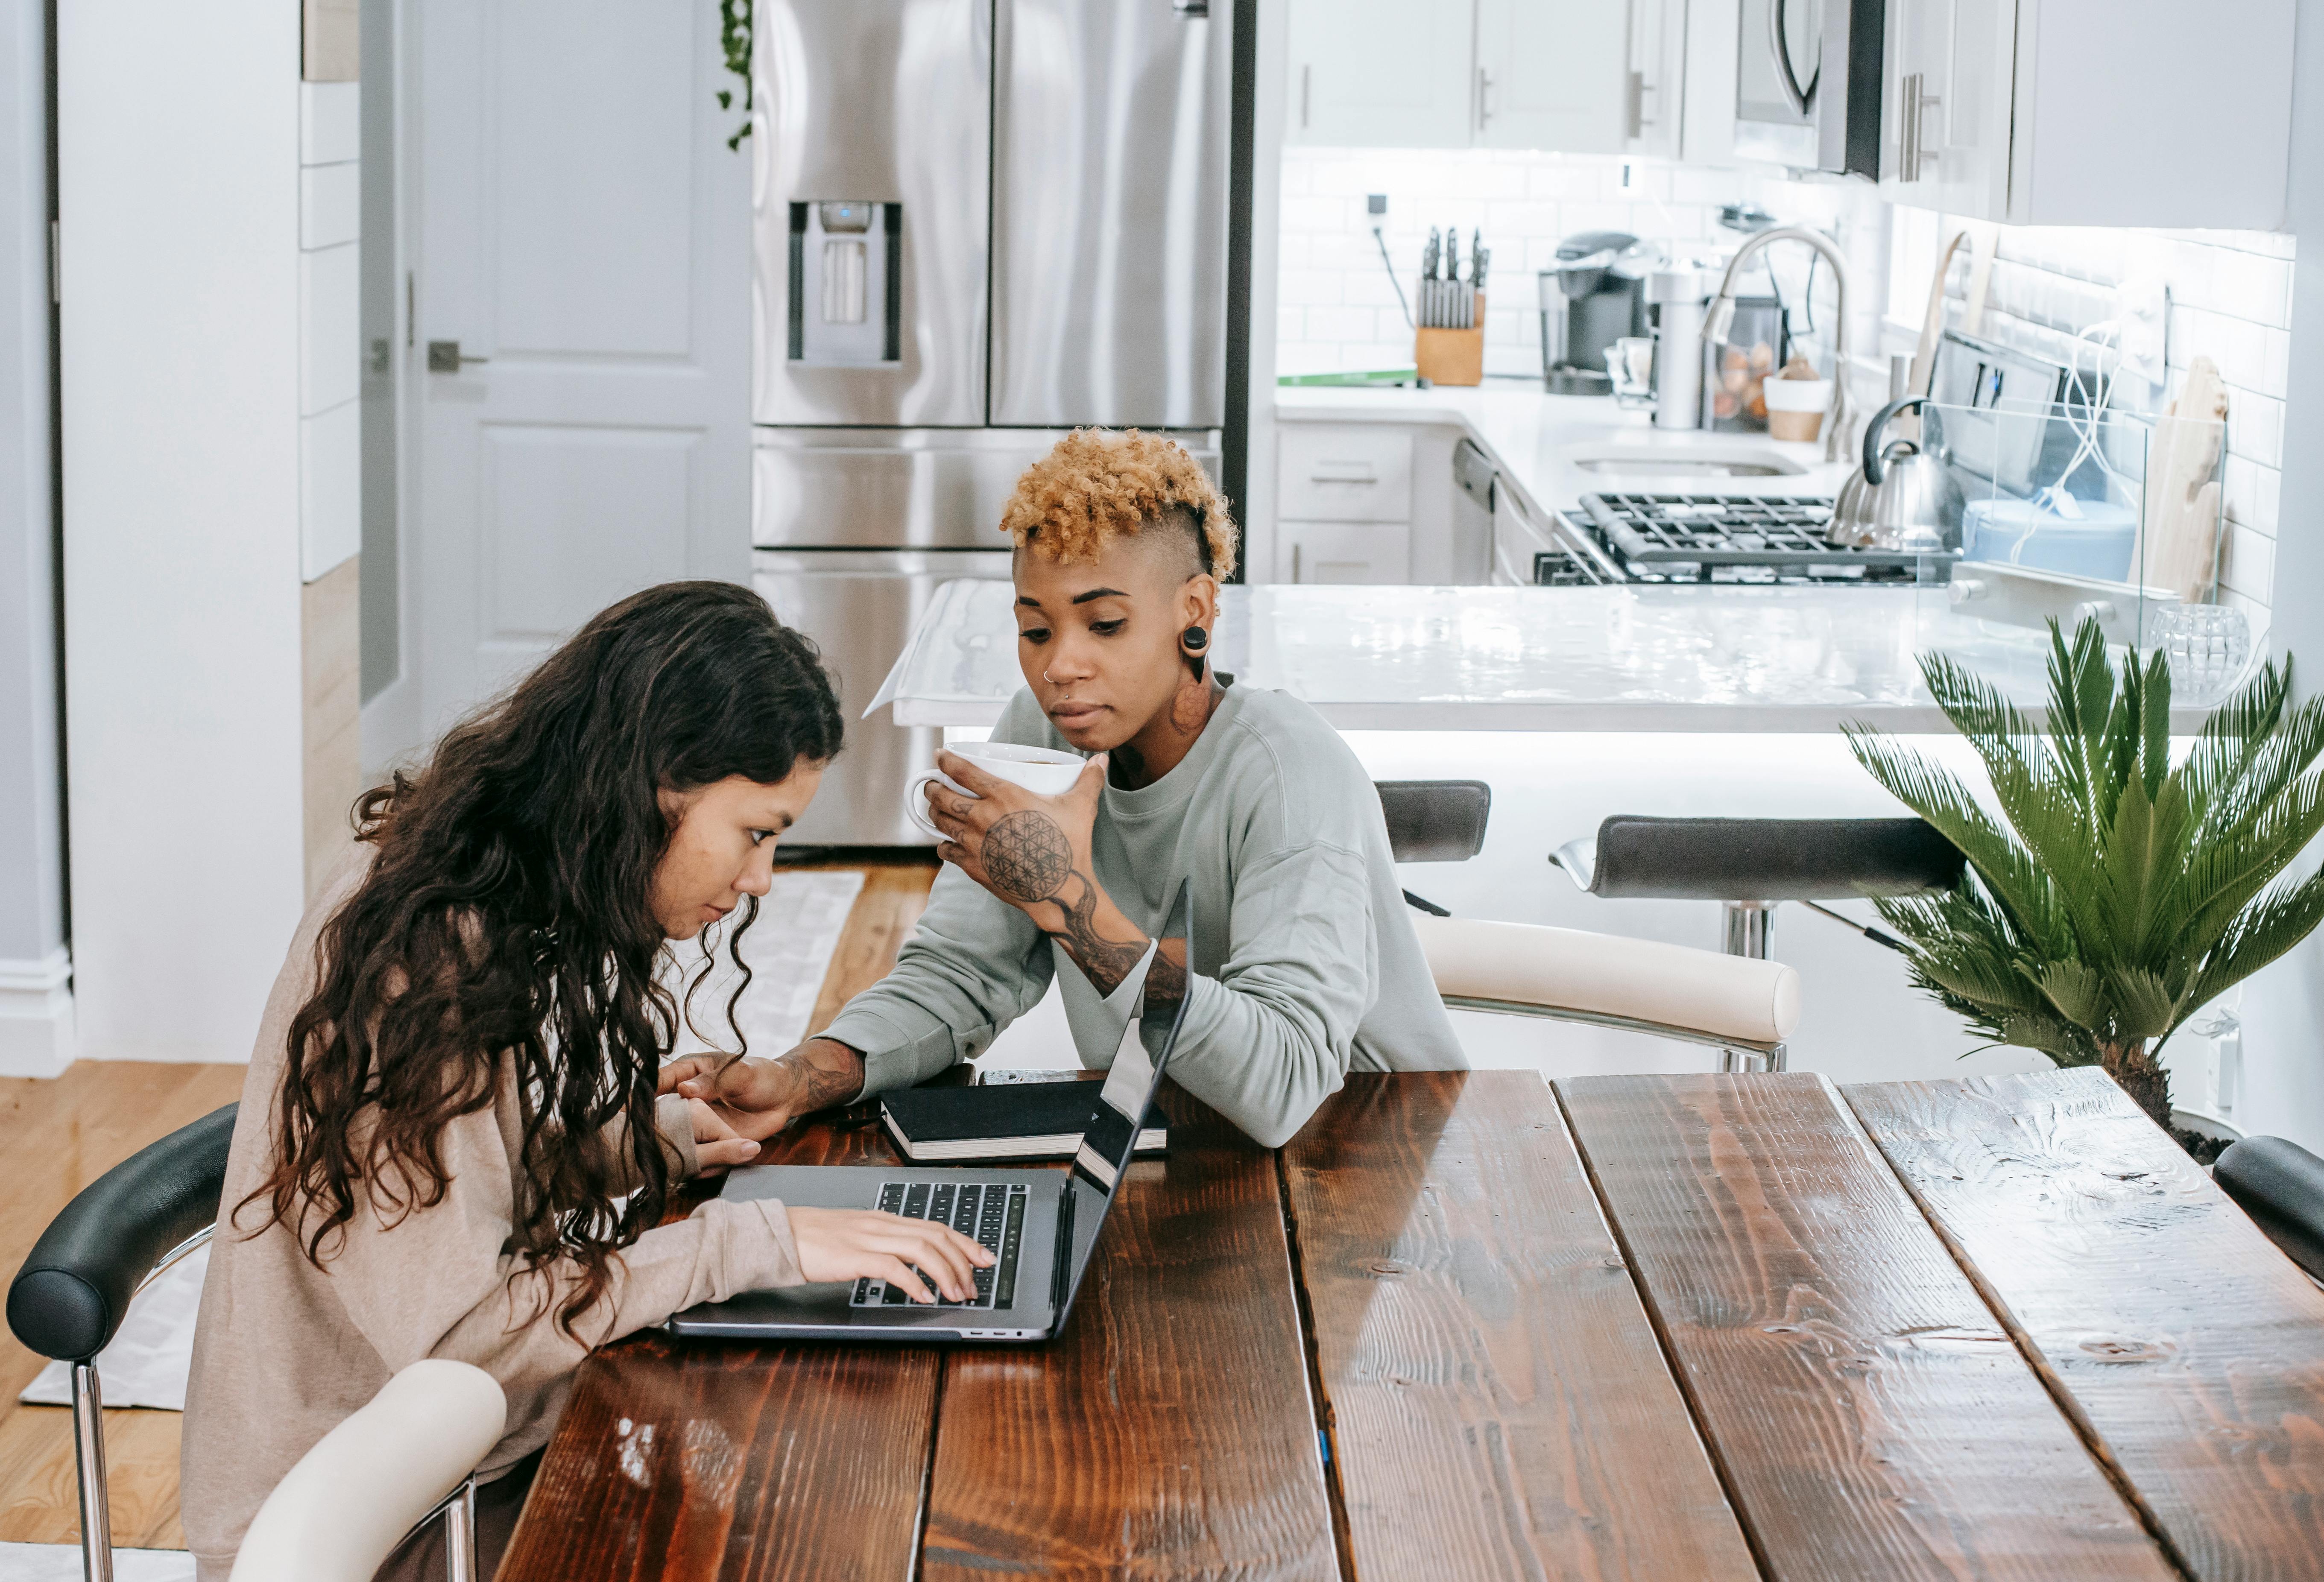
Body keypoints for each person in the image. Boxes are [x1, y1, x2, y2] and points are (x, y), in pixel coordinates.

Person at [180, 582, 990, 1582]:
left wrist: (649, 1135)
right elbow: (466, 1332)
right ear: (659, 785)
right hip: (360, 1520)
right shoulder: (424, 953)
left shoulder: (487, 893)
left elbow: (465, 1175)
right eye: (755, 830)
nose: (763, 877)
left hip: (460, 1460)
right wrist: (747, 1239)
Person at [667, 430, 1465, 1151]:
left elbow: (1285, 1085)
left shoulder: (1291, 774)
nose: (1059, 667)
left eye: (1105, 624)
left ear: (1194, 610)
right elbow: (963, 971)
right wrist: (803, 1076)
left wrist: (1069, 902)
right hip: (1168, 1142)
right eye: (1037, 629)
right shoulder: (1041, 734)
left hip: (1367, 1155)